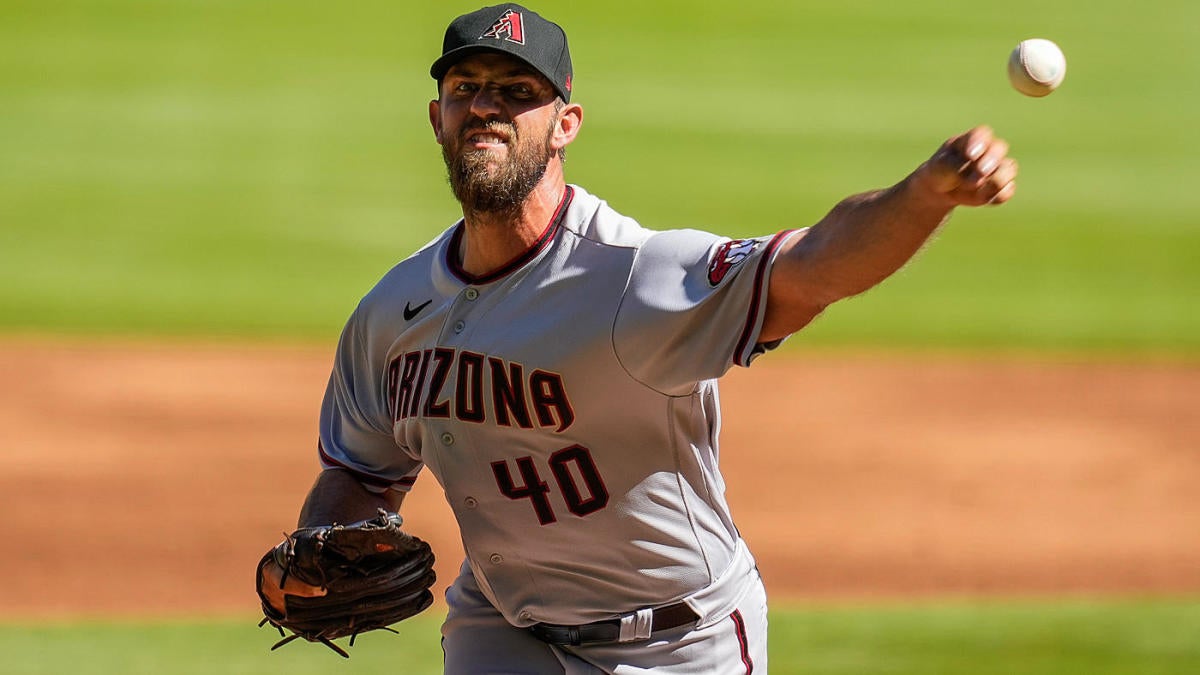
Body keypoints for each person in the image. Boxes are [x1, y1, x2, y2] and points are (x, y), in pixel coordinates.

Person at [257, 4, 1017, 673]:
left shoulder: (633, 277)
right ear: (437, 118)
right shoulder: (390, 313)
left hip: (678, 645)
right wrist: (327, 534)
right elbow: (362, 470)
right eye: (467, 89)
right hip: (502, 627)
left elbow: (812, 267)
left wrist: (921, 196)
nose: (487, 107)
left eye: (517, 93)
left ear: (565, 125)